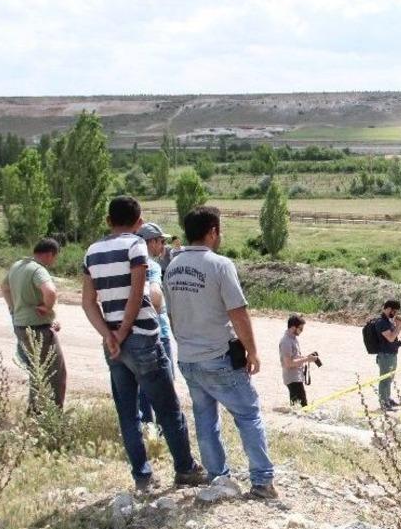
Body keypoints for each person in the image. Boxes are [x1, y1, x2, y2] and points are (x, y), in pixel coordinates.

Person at [81, 196, 205, 492]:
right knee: (167, 408)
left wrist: (109, 335)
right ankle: (185, 468)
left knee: (128, 412)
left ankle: (142, 476)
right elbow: (138, 295)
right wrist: (124, 331)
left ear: (108, 220)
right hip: (141, 338)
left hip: (113, 344)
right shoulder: (136, 246)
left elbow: (88, 302)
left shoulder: (92, 251)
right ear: (139, 222)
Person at [165, 206, 277, 500]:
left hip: (188, 357)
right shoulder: (220, 265)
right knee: (248, 414)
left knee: (205, 419)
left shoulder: (172, 267)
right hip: (219, 356)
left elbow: (172, 315)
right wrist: (252, 351)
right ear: (213, 231)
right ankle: (262, 481)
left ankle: (218, 478)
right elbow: (238, 313)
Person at [1, 238, 66, 411]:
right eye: (55, 257)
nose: (54, 261)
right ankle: (52, 415)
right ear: (50, 254)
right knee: (55, 374)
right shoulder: (38, 270)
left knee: (37, 371)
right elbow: (50, 291)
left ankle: (35, 412)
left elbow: (4, 287)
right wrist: (47, 308)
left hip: (20, 325)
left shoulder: (17, 266)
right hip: (38, 329)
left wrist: (13, 309)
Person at [135, 223, 174, 425]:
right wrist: (155, 312)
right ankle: (164, 429)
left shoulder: (131, 263)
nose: (163, 246)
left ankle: (147, 428)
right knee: (165, 387)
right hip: (158, 333)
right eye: (161, 241)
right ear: (151, 242)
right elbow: (156, 296)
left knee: (143, 387)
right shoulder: (152, 266)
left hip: (137, 333)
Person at [280, 314, 319, 406]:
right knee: (301, 407)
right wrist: (307, 359)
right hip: (292, 378)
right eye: (300, 329)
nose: (302, 331)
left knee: (298, 407)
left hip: (297, 377)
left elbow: (295, 357)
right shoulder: (286, 342)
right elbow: (288, 363)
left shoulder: (293, 339)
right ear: (293, 327)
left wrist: (307, 358)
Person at [374, 299, 401, 411]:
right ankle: (384, 403)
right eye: (394, 311)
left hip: (391, 354)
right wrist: (399, 326)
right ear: (388, 309)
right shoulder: (381, 322)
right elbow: (391, 338)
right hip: (385, 355)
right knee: (385, 380)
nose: (395, 314)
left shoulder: (388, 321)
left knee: (390, 378)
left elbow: (395, 337)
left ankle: (387, 399)